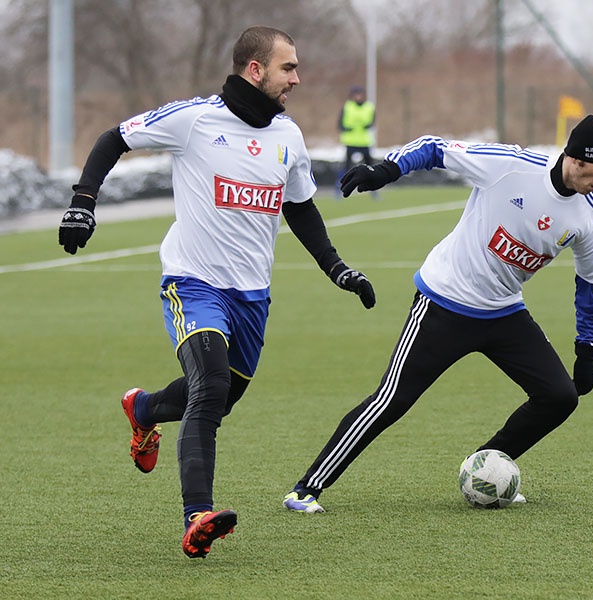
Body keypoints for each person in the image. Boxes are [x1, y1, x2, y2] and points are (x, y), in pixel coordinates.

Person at [58, 26, 376, 558]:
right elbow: (114, 138)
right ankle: (197, 515)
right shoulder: (195, 119)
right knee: (207, 387)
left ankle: (143, 411)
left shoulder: (288, 137)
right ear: (256, 70)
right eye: (288, 68)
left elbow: (299, 207)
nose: (297, 78)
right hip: (193, 281)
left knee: (221, 398)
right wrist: (83, 200)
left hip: (252, 296)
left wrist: (337, 268)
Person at [282, 115, 593, 514]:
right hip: (444, 301)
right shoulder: (509, 166)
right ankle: (307, 488)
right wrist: (386, 169)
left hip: (504, 313)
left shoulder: (589, 216)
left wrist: (587, 351)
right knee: (392, 400)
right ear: (579, 159)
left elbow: (591, 287)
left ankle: (486, 466)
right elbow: (434, 148)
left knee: (560, 397)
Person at [337, 85, 376, 188]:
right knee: (346, 166)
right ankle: (340, 186)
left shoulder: (369, 107)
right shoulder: (347, 107)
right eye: (356, 94)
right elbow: (340, 124)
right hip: (350, 141)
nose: (358, 96)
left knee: (370, 166)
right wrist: (346, 128)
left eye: (360, 94)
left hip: (364, 141)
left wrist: (367, 126)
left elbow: (372, 122)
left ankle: (373, 187)